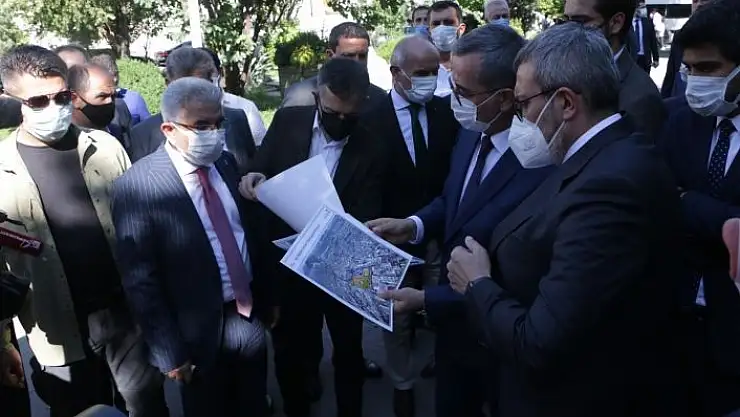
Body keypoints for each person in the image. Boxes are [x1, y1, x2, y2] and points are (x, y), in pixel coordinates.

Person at [443, 22, 684, 417]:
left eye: (523, 105)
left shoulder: (610, 187)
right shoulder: (603, 156)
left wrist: (477, 283)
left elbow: (540, 341)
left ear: (566, 103)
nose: (519, 118)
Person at [368, 25, 552, 417]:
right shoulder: (471, 131)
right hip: (454, 341)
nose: (452, 98)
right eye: (451, 85)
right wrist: (413, 224)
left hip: (501, 341)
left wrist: (426, 300)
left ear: (506, 97)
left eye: (463, 92)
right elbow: (454, 198)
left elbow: (518, 271)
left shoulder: (538, 161)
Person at [0, 44, 167, 417]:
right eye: (38, 101)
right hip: (57, 332)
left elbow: (142, 228)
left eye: (61, 97)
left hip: (126, 318)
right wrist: (3, 344)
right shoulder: (1, 171)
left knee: (148, 406)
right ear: (14, 103)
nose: (54, 108)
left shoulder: (105, 147)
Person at [112, 76, 275, 417]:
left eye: (218, 123)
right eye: (202, 126)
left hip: (247, 316)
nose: (214, 134)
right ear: (169, 129)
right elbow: (141, 280)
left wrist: (268, 300)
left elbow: (245, 235)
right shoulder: (137, 187)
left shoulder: (226, 164)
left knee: (254, 404)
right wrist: (168, 351)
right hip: (194, 333)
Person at [240, 57, 384, 417]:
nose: (340, 122)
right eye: (332, 113)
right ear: (317, 96)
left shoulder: (374, 142)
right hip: (290, 266)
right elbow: (262, 165)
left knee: (349, 352)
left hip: (344, 268)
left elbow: (372, 207)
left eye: (350, 116)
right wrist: (253, 177)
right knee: (290, 352)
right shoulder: (289, 121)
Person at [363, 35, 459, 417]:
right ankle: (402, 383)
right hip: (391, 238)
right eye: (421, 73)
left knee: (444, 307)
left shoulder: (448, 113)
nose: (429, 80)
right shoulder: (371, 119)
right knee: (396, 318)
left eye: (434, 72)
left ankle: (444, 363)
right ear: (395, 73)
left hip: (439, 232)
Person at [657, 1, 740, 415]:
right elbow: (659, 202)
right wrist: (725, 219)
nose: (695, 82)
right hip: (675, 328)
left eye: (708, 68)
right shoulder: (678, 120)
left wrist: (688, 202)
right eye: (689, 69)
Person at [129, 47, 255, 174]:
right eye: (182, 88)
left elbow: (250, 170)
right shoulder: (142, 136)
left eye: (199, 87)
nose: (192, 96)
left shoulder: (236, 119)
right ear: (168, 84)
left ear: (211, 82)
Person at [564, 0, 665, 139]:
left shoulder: (641, 99)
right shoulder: (566, 74)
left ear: (616, 23)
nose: (568, 32)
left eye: (580, 22)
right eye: (566, 21)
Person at [280, 22, 386, 116]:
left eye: (362, 56)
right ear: (330, 55)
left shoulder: (379, 99)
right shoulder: (300, 97)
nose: (357, 62)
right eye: (349, 56)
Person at [54, 45, 134, 154]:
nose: (75, 77)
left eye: (81, 70)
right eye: (68, 72)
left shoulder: (119, 108)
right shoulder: (52, 129)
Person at [199, 47, 267, 147]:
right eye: (196, 75)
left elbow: (260, 148)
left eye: (208, 72)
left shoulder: (245, 108)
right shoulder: (179, 115)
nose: (203, 79)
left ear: (220, 72)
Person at [661, 0, 713, 99]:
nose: (699, 4)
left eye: (704, 0)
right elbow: (670, 75)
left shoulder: (729, 38)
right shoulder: (680, 35)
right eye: (695, 1)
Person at [90, 54, 151, 126]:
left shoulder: (134, 99)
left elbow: (148, 127)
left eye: (116, 74)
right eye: (110, 76)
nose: (115, 79)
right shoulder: (90, 105)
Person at [428, 1, 466, 97]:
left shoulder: (474, 66)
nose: (441, 28)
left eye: (448, 22)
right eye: (436, 24)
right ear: (429, 30)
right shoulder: (421, 68)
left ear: (461, 29)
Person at [68, 64, 119, 133]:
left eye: (113, 95)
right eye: (102, 96)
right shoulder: (65, 138)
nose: (110, 101)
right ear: (74, 98)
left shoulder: (115, 129)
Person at [628, 2, 660, 74]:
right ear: (635, 9)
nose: (644, 10)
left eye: (644, 7)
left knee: (645, 79)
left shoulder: (648, 22)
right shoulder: (627, 23)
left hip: (645, 59)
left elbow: (653, 41)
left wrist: (656, 58)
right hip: (631, 59)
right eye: (642, 7)